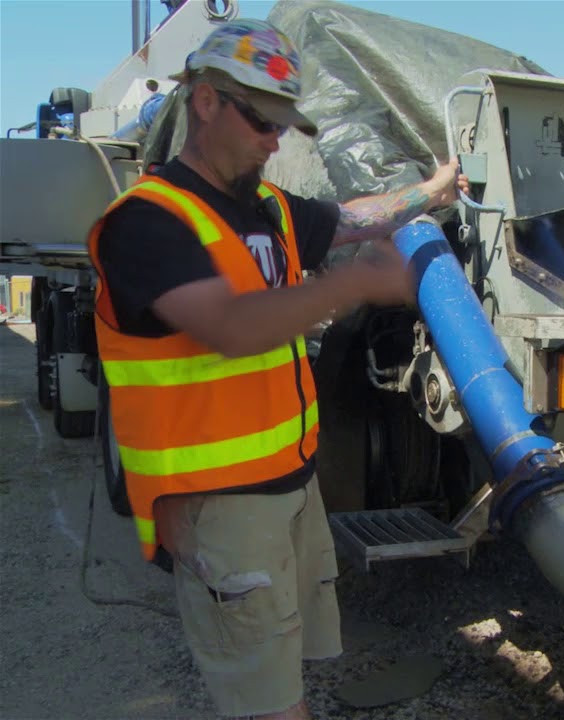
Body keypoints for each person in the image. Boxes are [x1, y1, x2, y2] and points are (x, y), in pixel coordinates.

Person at [86, 19, 468, 720]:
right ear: (205, 102)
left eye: (284, 125)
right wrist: (354, 285)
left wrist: (432, 192)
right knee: (265, 700)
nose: (275, 141)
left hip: (289, 483)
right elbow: (231, 327)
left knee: (284, 674)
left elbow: (349, 218)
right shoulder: (148, 222)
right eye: (263, 121)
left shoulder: (266, 208)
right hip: (218, 506)